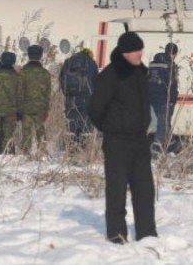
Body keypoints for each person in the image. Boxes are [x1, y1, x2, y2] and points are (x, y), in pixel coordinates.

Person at [90, 32, 157, 243]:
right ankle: (117, 234)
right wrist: (111, 128)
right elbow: (94, 109)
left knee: (144, 190)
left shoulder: (140, 73)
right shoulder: (111, 75)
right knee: (117, 190)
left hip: (140, 140)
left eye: (141, 49)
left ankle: (147, 234)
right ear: (125, 53)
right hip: (117, 142)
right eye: (136, 50)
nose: (141, 53)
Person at [59, 48, 98, 146]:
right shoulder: (91, 63)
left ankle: (71, 148)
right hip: (86, 99)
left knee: (72, 122)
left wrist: (68, 94)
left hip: (70, 99)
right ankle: (84, 150)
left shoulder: (68, 62)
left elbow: (61, 80)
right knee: (86, 124)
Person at [19, 45, 52, 155]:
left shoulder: (23, 72)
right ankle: (42, 153)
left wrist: (19, 109)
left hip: (26, 108)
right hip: (40, 108)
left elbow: (19, 92)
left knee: (26, 134)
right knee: (41, 133)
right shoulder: (45, 74)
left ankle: (25, 155)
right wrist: (47, 110)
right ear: (41, 56)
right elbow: (48, 94)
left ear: (28, 55)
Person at [147, 43, 179, 153]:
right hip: (164, 97)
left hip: (152, 97)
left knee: (164, 121)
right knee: (163, 122)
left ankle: (173, 145)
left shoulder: (152, 64)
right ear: (174, 54)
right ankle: (156, 148)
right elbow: (172, 84)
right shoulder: (170, 64)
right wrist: (172, 100)